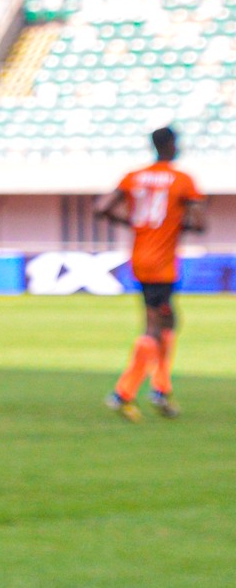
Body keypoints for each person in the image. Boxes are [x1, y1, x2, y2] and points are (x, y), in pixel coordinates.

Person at [100, 125, 204, 420]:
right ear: (170, 145)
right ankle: (123, 393)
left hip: (140, 258)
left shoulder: (134, 177)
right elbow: (199, 223)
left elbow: (102, 207)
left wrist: (134, 223)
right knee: (155, 326)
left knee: (168, 320)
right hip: (162, 262)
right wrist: (178, 223)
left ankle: (161, 387)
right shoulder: (182, 180)